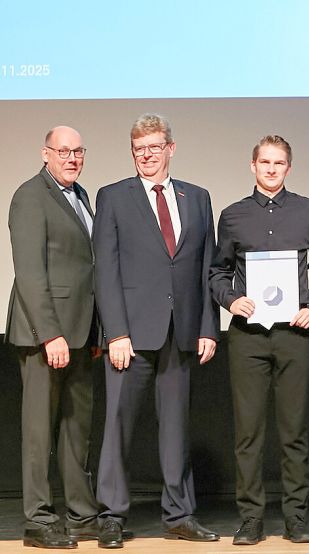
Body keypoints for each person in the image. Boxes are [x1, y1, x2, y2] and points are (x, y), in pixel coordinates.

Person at [93, 113, 220, 548]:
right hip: (130, 334)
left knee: (176, 428)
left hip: (181, 332)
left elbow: (206, 268)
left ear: (170, 148)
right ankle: (111, 515)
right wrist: (115, 332)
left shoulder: (197, 198)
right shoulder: (112, 197)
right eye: (138, 149)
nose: (146, 155)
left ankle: (179, 514)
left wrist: (207, 327)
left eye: (153, 147)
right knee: (118, 426)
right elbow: (105, 271)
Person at [209, 135, 309, 545]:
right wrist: (231, 299)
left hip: (296, 334)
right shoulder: (233, 215)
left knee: (294, 431)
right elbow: (217, 271)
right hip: (249, 336)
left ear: (288, 168)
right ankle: (251, 519)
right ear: (253, 166)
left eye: (279, 163)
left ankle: (296, 517)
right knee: (249, 431)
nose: (272, 169)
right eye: (265, 162)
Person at [7, 126, 100, 549]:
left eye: (78, 151)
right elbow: (29, 273)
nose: (72, 158)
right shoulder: (30, 195)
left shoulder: (81, 196)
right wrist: (50, 334)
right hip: (47, 335)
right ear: (46, 153)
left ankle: (81, 515)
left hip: (81, 334)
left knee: (76, 431)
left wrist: (96, 329)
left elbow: (86, 270)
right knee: (40, 432)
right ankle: (38, 521)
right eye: (63, 151)